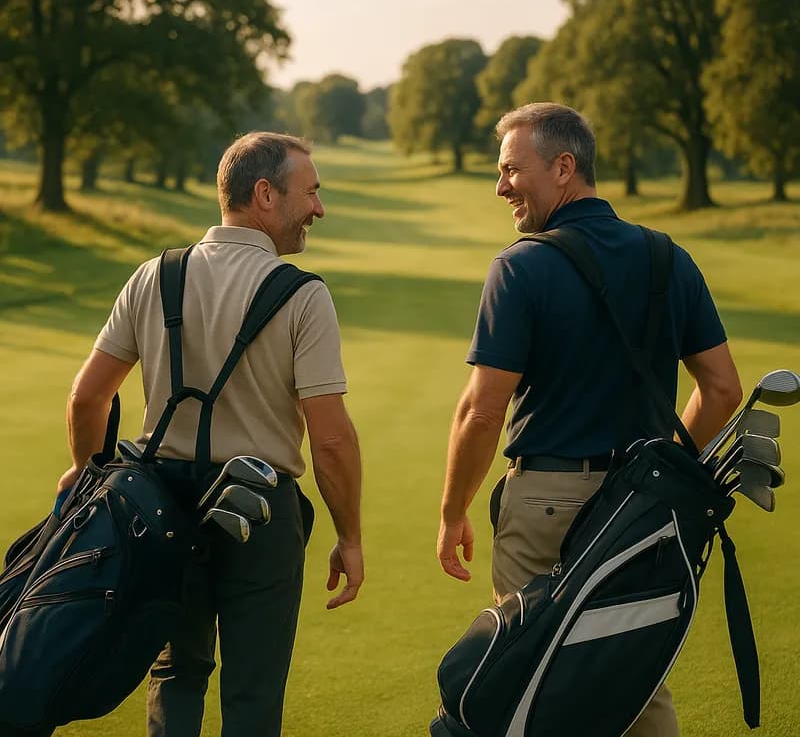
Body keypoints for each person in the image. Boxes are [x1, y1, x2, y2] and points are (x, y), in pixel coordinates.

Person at [436, 103, 741, 736]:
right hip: (642, 509)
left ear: (564, 167)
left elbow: (481, 409)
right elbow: (721, 389)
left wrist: (453, 511)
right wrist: (669, 464)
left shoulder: (521, 265)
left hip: (546, 506)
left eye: (513, 170)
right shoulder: (668, 258)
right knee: (632, 669)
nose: (501, 187)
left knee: (530, 679)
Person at [57, 132, 364, 737]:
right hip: (262, 512)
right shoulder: (303, 294)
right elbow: (330, 439)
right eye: (311, 194)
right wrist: (349, 535)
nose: (319, 209)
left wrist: (88, 472)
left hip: (161, 507)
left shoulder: (154, 275)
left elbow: (88, 397)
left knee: (176, 674)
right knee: (254, 690)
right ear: (265, 195)